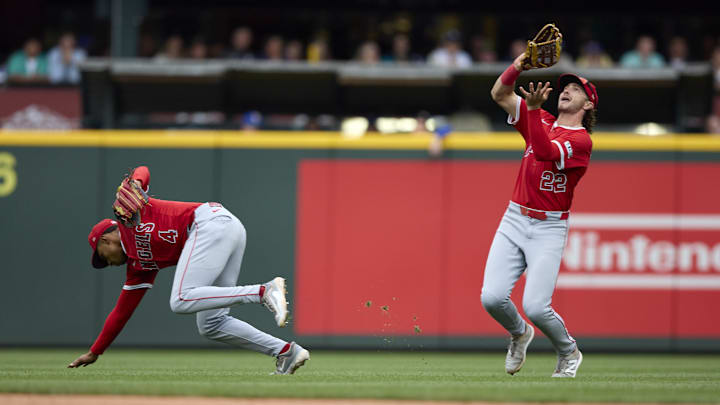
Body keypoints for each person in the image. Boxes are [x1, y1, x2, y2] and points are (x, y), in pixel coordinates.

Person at [68, 166, 310, 375]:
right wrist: (95, 351)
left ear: (106, 240)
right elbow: (121, 313)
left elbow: (143, 170)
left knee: (181, 299)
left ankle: (263, 292)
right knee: (211, 323)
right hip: (221, 231)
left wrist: (137, 183)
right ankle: (286, 352)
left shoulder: (128, 216)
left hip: (208, 223)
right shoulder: (139, 267)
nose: (107, 263)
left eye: (102, 256)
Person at [483, 52, 597, 378]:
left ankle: (568, 351)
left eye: (577, 90)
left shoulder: (581, 140)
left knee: (536, 306)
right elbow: (499, 94)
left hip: (548, 227)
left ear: (588, 105)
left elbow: (546, 152)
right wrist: (519, 65)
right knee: (491, 298)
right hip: (515, 218)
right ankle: (520, 333)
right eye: (566, 86)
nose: (568, 90)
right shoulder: (542, 119)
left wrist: (532, 110)